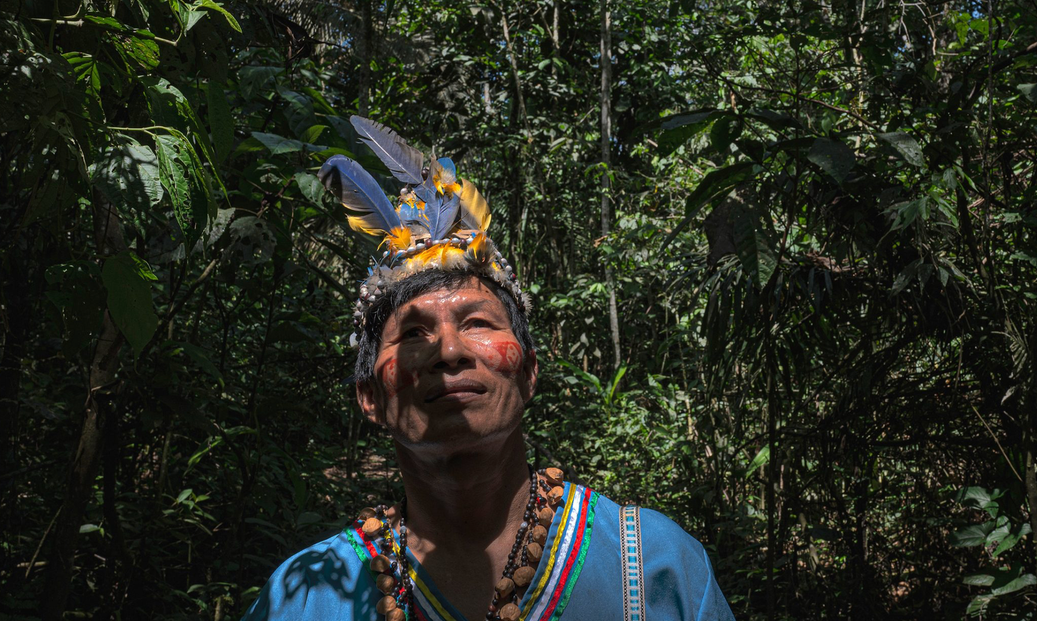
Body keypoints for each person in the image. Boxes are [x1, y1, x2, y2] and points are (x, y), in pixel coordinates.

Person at [242, 117, 735, 621]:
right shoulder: (305, 596)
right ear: (369, 395)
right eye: (412, 334)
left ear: (528, 372)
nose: (448, 350)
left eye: (477, 322)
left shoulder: (653, 570)